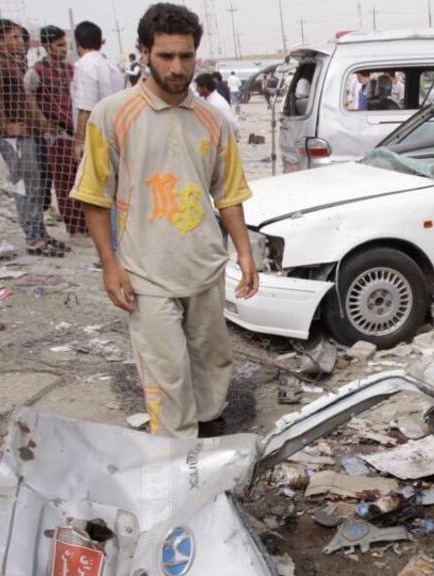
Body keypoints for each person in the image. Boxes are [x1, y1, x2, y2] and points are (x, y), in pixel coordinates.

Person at [70, 2, 259, 439]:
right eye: (166, 56)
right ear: (144, 53)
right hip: (146, 273)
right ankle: (176, 470)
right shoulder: (113, 115)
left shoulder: (213, 120)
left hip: (205, 268)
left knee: (212, 365)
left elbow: (228, 194)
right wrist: (110, 265)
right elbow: (94, 197)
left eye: (186, 56)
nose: (177, 67)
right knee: (167, 376)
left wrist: (245, 254)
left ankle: (210, 450)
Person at [0, 19, 68, 256]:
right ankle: (33, 238)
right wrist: (7, 125)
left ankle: (40, 232)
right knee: (25, 188)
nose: (19, 41)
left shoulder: (17, 64)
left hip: (30, 135)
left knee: (37, 187)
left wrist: (43, 125)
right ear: (0, 40)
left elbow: (28, 103)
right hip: (15, 140)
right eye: (13, 38)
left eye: (20, 37)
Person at [25, 25, 87, 236]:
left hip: (76, 132)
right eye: (59, 45)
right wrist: (43, 124)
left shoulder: (72, 70)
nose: (63, 49)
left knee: (82, 178)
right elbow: (30, 101)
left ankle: (86, 224)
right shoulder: (36, 72)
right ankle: (74, 227)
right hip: (56, 135)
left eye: (65, 45)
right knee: (64, 182)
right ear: (46, 46)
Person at [72, 21, 125, 254]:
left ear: (78, 43)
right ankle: (119, 247)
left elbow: (85, 108)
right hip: (118, 134)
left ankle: (114, 251)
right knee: (115, 194)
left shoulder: (84, 66)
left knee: (101, 197)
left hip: (98, 138)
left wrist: (79, 142)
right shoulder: (111, 66)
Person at [195, 72, 239, 139]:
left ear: (205, 87)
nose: (196, 89)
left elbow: (233, 126)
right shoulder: (209, 100)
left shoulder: (215, 103)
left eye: (198, 87)